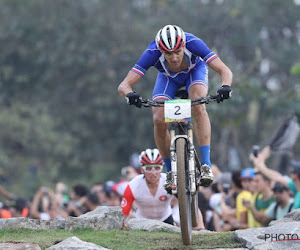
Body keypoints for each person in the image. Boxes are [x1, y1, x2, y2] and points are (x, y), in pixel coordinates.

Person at [118, 25, 233, 191]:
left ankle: (206, 164)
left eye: (177, 52)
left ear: (184, 46)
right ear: (161, 50)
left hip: (195, 73)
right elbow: (124, 85)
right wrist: (130, 94)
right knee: (158, 118)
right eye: (168, 53)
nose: (173, 57)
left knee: (198, 104)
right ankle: (171, 170)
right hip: (167, 79)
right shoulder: (152, 52)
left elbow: (224, 70)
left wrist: (225, 86)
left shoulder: (193, 42)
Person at [121, 148, 177, 229]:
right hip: (141, 221)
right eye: (148, 168)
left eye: (157, 168)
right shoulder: (133, 185)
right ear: (142, 170)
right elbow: (124, 211)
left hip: (165, 218)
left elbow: (186, 202)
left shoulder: (169, 181)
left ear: (162, 168)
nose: (153, 173)